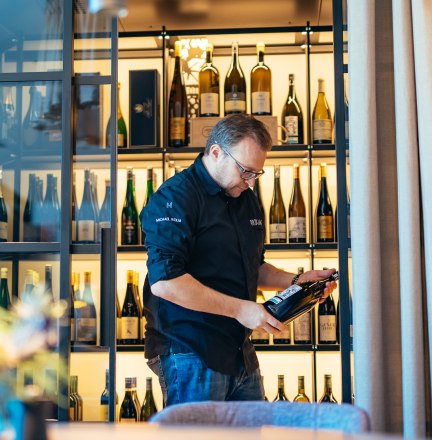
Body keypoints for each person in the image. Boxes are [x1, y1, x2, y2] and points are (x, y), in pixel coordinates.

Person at [140, 114, 337, 405]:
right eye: (246, 171)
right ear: (216, 152)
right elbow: (165, 283)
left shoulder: (246, 196)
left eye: (257, 174)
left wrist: (296, 281)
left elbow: (252, 268)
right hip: (190, 351)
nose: (251, 182)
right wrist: (241, 310)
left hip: (240, 352)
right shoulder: (175, 197)